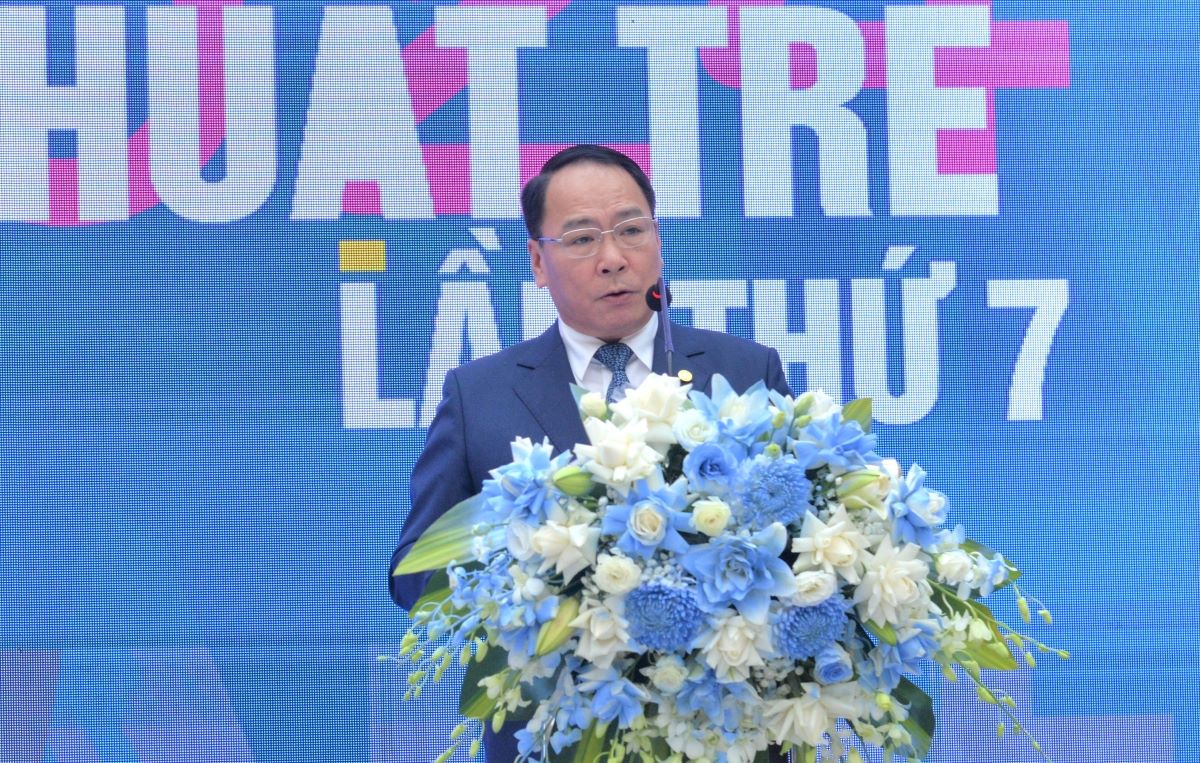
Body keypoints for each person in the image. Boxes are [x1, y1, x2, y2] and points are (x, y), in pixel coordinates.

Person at [390, 144, 791, 762]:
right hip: (553, 737)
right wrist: (544, 580)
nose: (613, 259)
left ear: (658, 241)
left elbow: (798, 544)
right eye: (581, 239)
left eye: (632, 230)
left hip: (725, 734)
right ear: (538, 262)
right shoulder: (479, 394)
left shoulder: (743, 371)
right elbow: (416, 573)